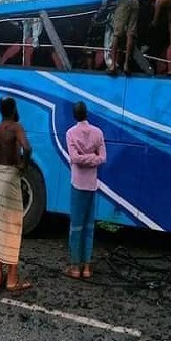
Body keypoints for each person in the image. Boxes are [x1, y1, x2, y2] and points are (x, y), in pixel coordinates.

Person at [0, 96, 32, 292]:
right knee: (12, 226)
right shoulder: (16, 127)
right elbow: (27, 148)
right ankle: (12, 279)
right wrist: (23, 165)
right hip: (10, 176)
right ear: (14, 109)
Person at [64, 102, 107, 279]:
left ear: (74, 115)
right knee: (89, 227)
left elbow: (75, 158)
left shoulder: (70, 133)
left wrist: (83, 159)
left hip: (77, 184)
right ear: (86, 113)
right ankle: (87, 268)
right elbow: (102, 158)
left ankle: (75, 267)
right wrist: (93, 158)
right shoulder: (98, 133)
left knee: (76, 226)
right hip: (92, 185)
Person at [93, 0, 139, 75]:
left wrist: (103, 10)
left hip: (123, 1)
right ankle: (127, 65)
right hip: (135, 0)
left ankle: (113, 66)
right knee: (130, 33)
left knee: (116, 33)